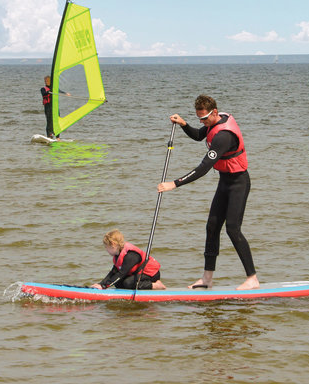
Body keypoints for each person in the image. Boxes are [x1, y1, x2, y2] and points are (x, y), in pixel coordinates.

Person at [157, 94, 259, 290]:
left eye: (203, 118)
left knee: (232, 229)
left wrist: (174, 184)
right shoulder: (214, 120)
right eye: (199, 118)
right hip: (224, 181)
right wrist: (184, 124)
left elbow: (203, 168)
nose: (202, 122)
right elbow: (198, 135)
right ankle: (207, 278)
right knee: (212, 226)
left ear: (213, 112)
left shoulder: (224, 136)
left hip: (239, 183)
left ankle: (252, 278)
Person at [90, 229, 167, 290]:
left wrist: (104, 286)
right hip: (139, 274)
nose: (106, 249)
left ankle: (155, 285)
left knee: (128, 283)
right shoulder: (117, 255)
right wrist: (100, 284)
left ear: (113, 245)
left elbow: (121, 274)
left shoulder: (130, 255)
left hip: (151, 274)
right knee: (118, 283)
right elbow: (113, 272)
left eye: (106, 247)